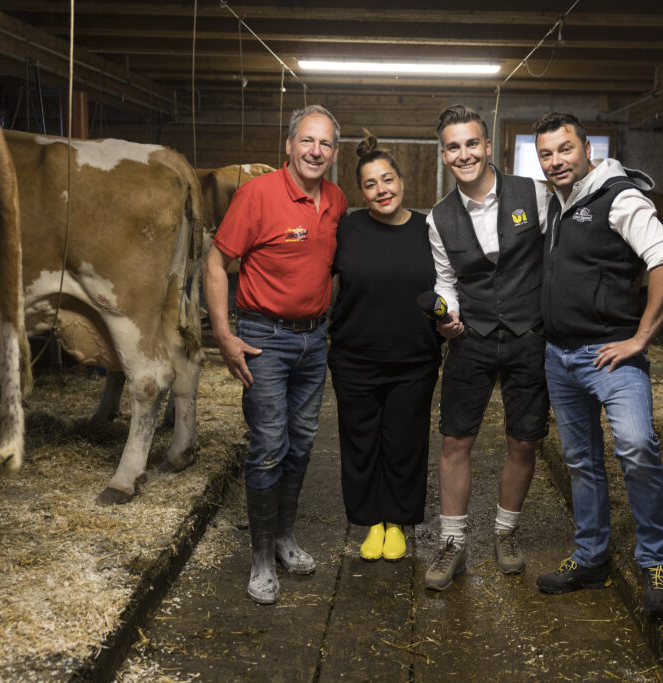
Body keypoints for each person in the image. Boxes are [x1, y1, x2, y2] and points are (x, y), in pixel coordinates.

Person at [531, 111, 663, 618]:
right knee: (580, 461)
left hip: (610, 357)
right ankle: (591, 557)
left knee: (637, 448)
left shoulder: (619, 196)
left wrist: (640, 337)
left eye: (565, 150)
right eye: (547, 153)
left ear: (587, 149)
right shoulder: (556, 201)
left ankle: (657, 560)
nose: (556, 161)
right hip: (560, 356)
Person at [203, 104, 346, 605]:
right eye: (307, 141)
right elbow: (216, 263)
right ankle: (260, 556)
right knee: (268, 444)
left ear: (334, 152)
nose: (315, 151)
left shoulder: (336, 200)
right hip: (265, 338)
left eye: (325, 144)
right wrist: (224, 334)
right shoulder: (257, 195)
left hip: (314, 340)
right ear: (288, 146)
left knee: (302, 442)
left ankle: (284, 537)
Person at [423, 105, 550, 591]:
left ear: (488, 145)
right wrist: (448, 313)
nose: (464, 154)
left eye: (471, 143)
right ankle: (453, 542)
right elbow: (446, 279)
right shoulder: (439, 216)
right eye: (453, 147)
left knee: (523, 439)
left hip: (527, 336)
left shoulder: (533, 194)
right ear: (443, 154)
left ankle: (506, 532)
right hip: (470, 338)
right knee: (456, 441)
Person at [328, 131, 443, 562]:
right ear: (361, 191)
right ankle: (370, 521)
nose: (382, 190)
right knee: (360, 441)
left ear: (402, 180)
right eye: (371, 184)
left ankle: (396, 521)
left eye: (388, 179)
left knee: (404, 441)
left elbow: (448, 283)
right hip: (354, 356)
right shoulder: (348, 228)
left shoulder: (427, 228)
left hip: (414, 359)